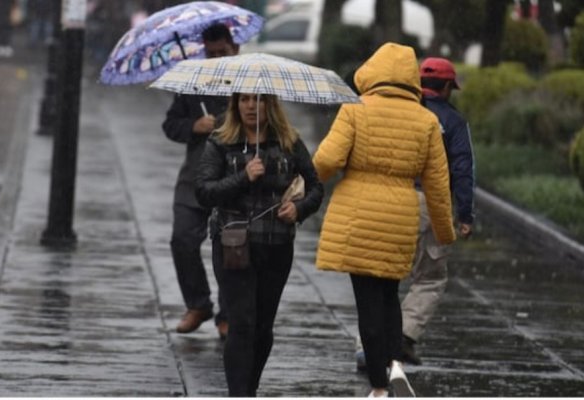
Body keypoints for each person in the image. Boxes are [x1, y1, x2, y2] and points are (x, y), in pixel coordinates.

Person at [312, 42, 456, 398]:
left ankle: (378, 384)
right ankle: (395, 366)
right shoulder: (427, 120)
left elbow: (327, 160)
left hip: (357, 214)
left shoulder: (355, 109)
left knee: (367, 302)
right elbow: (438, 184)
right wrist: (445, 231)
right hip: (400, 216)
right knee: (390, 294)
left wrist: (304, 182)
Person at [195, 92, 323, 396]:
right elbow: (204, 192)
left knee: (263, 327)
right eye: (245, 100)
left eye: (259, 100)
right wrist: (244, 176)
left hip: (276, 245)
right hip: (233, 244)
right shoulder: (220, 142)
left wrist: (299, 209)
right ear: (236, 105)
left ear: (271, 105)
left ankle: (249, 388)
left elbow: (316, 186)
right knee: (242, 323)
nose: (251, 106)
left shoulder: (290, 142)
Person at [162, 23, 239, 339]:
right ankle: (198, 303)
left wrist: (222, 124)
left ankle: (228, 314)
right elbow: (170, 124)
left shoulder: (247, 81)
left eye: (222, 51)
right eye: (211, 52)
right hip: (194, 176)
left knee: (231, 250)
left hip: (233, 177)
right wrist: (194, 125)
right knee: (182, 239)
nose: (217, 57)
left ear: (234, 48)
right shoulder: (191, 82)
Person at [399, 57, 475, 365]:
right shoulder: (454, 122)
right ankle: (404, 336)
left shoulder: (401, 111)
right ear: (446, 88)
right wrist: (466, 214)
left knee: (382, 275)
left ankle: (370, 344)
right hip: (432, 202)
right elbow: (463, 168)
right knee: (430, 276)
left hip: (394, 200)